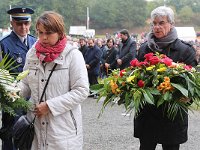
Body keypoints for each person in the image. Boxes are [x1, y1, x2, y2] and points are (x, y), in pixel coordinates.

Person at [18, 11, 89, 150]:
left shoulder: (73, 55)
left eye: (48, 33)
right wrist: (10, 91)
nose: (43, 37)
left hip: (63, 130)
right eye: (40, 32)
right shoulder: (32, 54)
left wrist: (50, 106)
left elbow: (81, 90)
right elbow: (26, 84)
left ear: (60, 32)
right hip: (36, 127)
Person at [134, 6, 197, 150]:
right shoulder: (144, 49)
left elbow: (192, 83)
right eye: (154, 23)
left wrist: (186, 96)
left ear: (171, 23)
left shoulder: (185, 50)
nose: (156, 27)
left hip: (171, 117)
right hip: (147, 115)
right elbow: (137, 77)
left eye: (161, 23)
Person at [0, 7, 36, 150]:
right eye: (19, 23)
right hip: (13, 99)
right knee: (12, 135)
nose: (23, 27)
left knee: (31, 135)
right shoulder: (4, 44)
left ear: (30, 23)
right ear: (12, 23)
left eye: (26, 23)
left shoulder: (35, 42)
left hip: (33, 97)